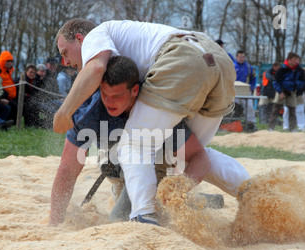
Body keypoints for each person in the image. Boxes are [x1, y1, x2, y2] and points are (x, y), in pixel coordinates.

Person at [53, 19, 242, 224]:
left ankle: (144, 216)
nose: (65, 62)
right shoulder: (133, 76)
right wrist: (180, 190)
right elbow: (198, 157)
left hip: (185, 59)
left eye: (65, 53)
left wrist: (64, 111)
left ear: (80, 39)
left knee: (135, 145)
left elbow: (96, 67)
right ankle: (252, 190)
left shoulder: (96, 35)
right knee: (187, 156)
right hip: (219, 60)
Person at [268, 52, 301, 132]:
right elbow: (275, 82)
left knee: (292, 110)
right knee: (276, 109)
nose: (296, 61)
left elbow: (300, 80)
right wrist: (280, 92)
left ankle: (292, 129)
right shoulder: (282, 69)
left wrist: (296, 88)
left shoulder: (298, 69)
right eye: (294, 60)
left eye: (297, 60)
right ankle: (271, 128)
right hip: (281, 90)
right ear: (289, 60)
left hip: (291, 91)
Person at [233, 50, 257, 132]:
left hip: (245, 91)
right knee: (230, 108)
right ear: (237, 57)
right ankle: (227, 123)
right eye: (240, 57)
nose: (242, 58)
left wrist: (252, 87)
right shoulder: (232, 66)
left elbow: (254, 77)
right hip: (234, 91)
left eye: (243, 57)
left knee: (249, 107)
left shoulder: (248, 67)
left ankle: (251, 124)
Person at [282, 63, 305, 132]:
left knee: (300, 110)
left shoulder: (303, 74)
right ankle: (286, 126)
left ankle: (301, 126)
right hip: (289, 94)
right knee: (287, 111)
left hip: (299, 94)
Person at [0, 51, 18, 121]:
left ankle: (13, 124)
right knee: (13, 106)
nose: (10, 63)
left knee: (20, 106)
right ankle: (4, 123)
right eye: (8, 61)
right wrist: (5, 95)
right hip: (3, 97)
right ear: (3, 61)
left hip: (10, 97)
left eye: (11, 61)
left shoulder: (8, 71)